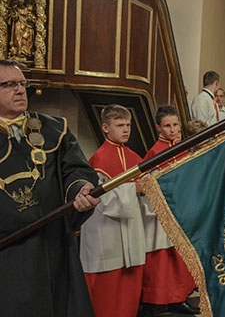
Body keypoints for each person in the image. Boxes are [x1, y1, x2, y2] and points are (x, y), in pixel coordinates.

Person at [0, 59, 100, 317]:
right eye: (9, 85)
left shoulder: (55, 129)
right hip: (10, 254)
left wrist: (81, 189)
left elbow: (76, 171)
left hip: (55, 245)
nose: (20, 90)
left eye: (22, 83)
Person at [80, 105, 146, 317]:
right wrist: (134, 189)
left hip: (130, 231)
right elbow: (104, 200)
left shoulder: (135, 157)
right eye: (119, 125)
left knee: (129, 291)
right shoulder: (99, 160)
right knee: (107, 294)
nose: (126, 130)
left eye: (128, 125)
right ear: (105, 128)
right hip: (106, 234)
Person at [139, 106, 198, 316]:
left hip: (182, 209)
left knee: (179, 257)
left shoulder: (182, 148)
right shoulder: (155, 153)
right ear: (158, 128)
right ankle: (156, 301)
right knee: (162, 260)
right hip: (161, 213)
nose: (172, 130)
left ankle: (177, 297)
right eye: (167, 126)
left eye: (175, 125)